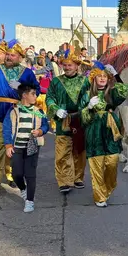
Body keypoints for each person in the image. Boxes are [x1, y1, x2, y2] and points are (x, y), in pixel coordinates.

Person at [0, 39, 40, 190]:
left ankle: (14, 175)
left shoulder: (26, 73)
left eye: (13, 55)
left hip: (18, 113)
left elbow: (36, 91)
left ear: (20, 57)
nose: (8, 57)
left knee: (18, 146)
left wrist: (22, 88)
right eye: (7, 54)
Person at [79, 61, 128, 207]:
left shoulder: (112, 93)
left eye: (105, 76)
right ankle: (99, 196)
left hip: (110, 132)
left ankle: (107, 189)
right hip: (94, 132)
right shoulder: (87, 94)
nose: (102, 79)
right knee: (96, 166)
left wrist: (115, 75)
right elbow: (82, 119)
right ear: (94, 79)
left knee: (112, 163)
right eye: (99, 76)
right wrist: (88, 107)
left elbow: (124, 91)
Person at [46, 51, 88, 193]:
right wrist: (55, 109)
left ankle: (78, 177)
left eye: (70, 65)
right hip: (62, 120)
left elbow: (90, 97)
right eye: (65, 65)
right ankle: (64, 180)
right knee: (63, 151)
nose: (67, 68)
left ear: (76, 66)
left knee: (79, 150)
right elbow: (49, 98)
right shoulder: (56, 81)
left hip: (80, 120)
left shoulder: (84, 81)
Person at [4, 84, 49, 213]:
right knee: (16, 174)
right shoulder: (13, 111)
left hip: (32, 147)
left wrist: (40, 131)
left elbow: (46, 126)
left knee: (30, 174)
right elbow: (7, 129)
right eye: (33, 94)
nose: (36, 96)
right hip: (17, 146)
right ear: (24, 95)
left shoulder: (38, 111)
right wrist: (8, 145)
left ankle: (30, 201)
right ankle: (23, 189)